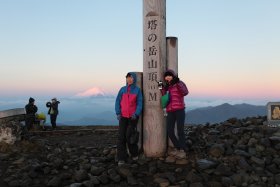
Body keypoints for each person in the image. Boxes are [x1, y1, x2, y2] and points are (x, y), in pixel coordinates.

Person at [159, 69, 189, 159]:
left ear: (173, 76)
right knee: (170, 131)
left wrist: (178, 83)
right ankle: (178, 147)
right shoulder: (168, 86)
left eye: (170, 75)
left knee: (180, 131)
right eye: (166, 76)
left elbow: (185, 92)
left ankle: (183, 150)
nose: (168, 77)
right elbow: (165, 95)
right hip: (170, 110)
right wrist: (161, 87)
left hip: (179, 110)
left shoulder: (179, 83)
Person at [115, 72, 143, 166]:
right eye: (128, 78)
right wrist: (118, 112)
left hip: (133, 117)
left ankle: (134, 154)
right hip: (123, 116)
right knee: (121, 137)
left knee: (129, 136)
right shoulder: (122, 90)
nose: (129, 79)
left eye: (131, 77)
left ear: (134, 79)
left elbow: (140, 103)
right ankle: (121, 158)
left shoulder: (137, 90)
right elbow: (117, 101)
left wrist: (136, 113)